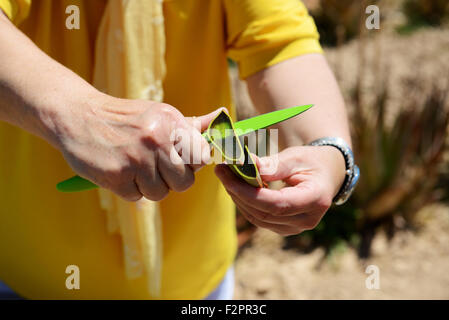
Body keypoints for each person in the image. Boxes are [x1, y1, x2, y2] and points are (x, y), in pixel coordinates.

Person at [0, 0, 353, 299]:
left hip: (200, 286)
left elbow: (279, 42)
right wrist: (79, 115)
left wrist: (329, 150)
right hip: (25, 281)